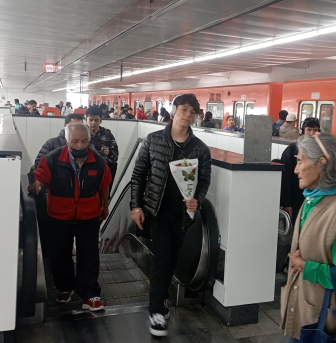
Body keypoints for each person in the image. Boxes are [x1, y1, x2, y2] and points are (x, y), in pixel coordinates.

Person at [130, 94, 211, 336]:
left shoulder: (200, 149)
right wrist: (136, 207)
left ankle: (161, 301)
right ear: (174, 111)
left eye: (192, 112)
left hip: (183, 214)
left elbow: (204, 181)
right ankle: (155, 310)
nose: (188, 115)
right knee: (162, 259)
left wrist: (198, 199)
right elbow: (138, 176)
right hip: (157, 211)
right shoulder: (153, 140)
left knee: (172, 259)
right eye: (184, 109)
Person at [280, 132, 336, 342]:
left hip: (323, 319)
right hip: (305, 307)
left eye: (300, 162)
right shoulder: (312, 199)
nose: (296, 169)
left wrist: (304, 266)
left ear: (322, 163)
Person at [29, 123, 111, 312]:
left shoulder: (98, 160)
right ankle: (65, 288)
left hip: (89, 217)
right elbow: (40, 178)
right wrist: (37, 186)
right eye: (74, 141)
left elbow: (104, 185)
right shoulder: (52, 159)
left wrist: (105, 207)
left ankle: (90, 294)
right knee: (60, 255)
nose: (80, 146)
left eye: (84, 141)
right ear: (66, 141)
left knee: (89, 256)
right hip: (59, 217)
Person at [28, 113, 86, 258]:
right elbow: (39, 167)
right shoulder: (52, 144)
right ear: (65, 127)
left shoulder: (86, 147)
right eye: (74, 126)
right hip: (56, 205)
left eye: (81, 126)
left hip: (81, 208)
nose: (78, 130)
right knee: (57, 245)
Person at [280, 117, 321, 223]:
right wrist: (286, 203)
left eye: (315, 130)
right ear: (303, 131)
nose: (312, 133)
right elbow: (285, 178)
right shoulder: (292, 149)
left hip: (316, 200)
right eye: (309, 130)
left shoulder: (322, 151)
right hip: (296, 199)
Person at [86, 106, 119, 185]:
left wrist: (109, 153)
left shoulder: (107, 134)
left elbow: (116, 156)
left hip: (104, 172)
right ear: (86, 119)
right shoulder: (81, 133)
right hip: (85, 171)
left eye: (96, 120)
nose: (93, 123)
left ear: (100, 120)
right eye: (91, 120)